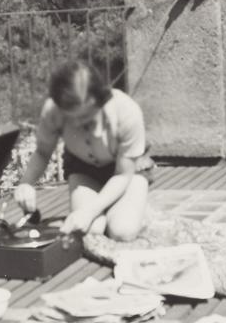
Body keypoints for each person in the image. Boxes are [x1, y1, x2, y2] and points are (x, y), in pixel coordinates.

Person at [14, 62, 153, 241]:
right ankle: (117, 207)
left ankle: (131, 205)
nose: (79, 124)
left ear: (101, 99)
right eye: (72, 118)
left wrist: (90, 210)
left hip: (128, 173)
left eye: (87, 116)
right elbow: (42, 153)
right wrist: (25, 183)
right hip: (85, 170)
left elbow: (122, 175)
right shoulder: (53, 111)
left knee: (122, 231)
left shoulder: (127, 112)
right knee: (92, 230)